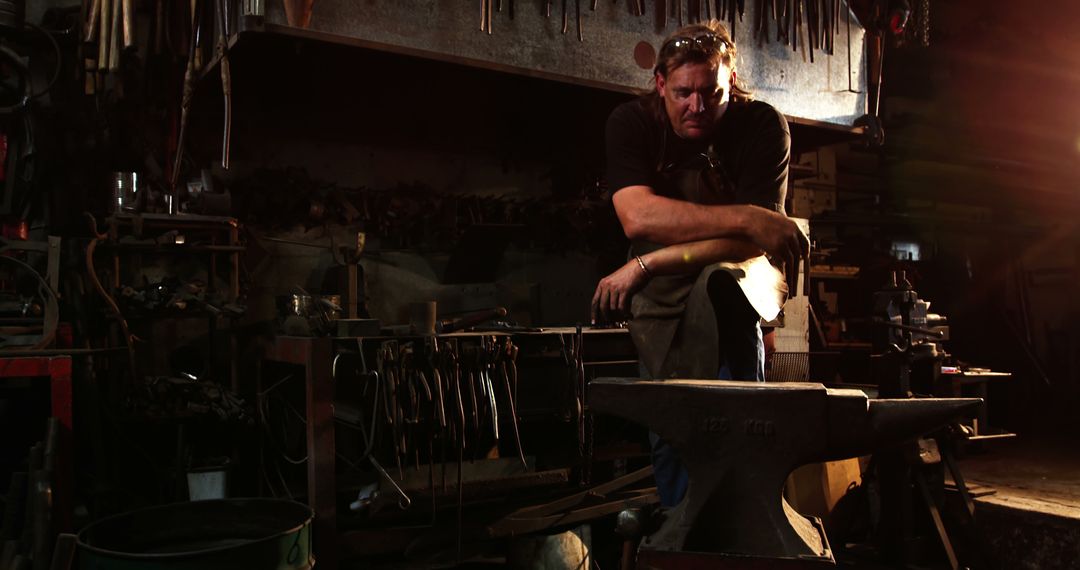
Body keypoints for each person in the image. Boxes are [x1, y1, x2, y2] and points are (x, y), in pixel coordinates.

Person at [590, 20, 809, 507]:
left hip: (735, 282)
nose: (697, 107)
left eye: (711, 92)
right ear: (660, 84)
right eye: (684, 93)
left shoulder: (762, 126)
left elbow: (753, 245)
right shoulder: (631, 123)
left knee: (735, 424)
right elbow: (637, 217)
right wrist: (746, 217)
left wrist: (645, 265)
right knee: (674, 425)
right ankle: (680, 531)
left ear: (730, 80)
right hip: (663, 297)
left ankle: (739, 526)